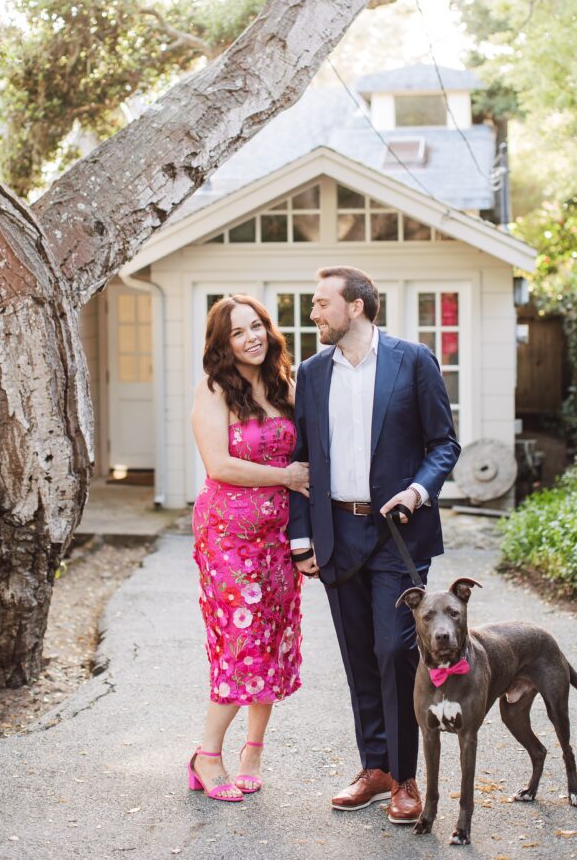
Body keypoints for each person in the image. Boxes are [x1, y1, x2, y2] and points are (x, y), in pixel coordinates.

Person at [289, 266, 460, 824]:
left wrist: (416, 491)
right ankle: (376, 769)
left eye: (320, 304)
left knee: (394, 651)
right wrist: (302, 537)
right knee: (359, 655)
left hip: (397, 533)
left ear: (356, 307)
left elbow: (443, 444)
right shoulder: (313, 374)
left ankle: (407, 777)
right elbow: (303, 460)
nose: (313, 314)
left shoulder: (414, 360)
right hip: (337, 531)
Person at [189, 294, 309, 802]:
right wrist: (284, 475)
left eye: (257, 326)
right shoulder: (214, 390)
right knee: (243, 642)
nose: (252, 337)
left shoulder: (285, 384)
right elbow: (219, 465)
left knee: (275, 642)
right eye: (239, 332)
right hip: (227, 537)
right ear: (224, 343)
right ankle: (207, 755)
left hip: (278, 539)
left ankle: (252, 751)